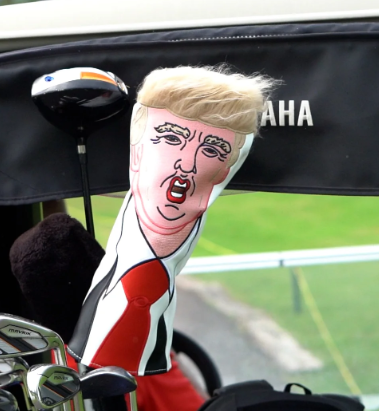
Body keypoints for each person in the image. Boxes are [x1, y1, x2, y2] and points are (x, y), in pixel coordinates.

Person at [68, 65, 276, 376]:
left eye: (211, 150)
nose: (186, 165)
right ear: (138, 149)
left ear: (226, 169)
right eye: (171, 138)